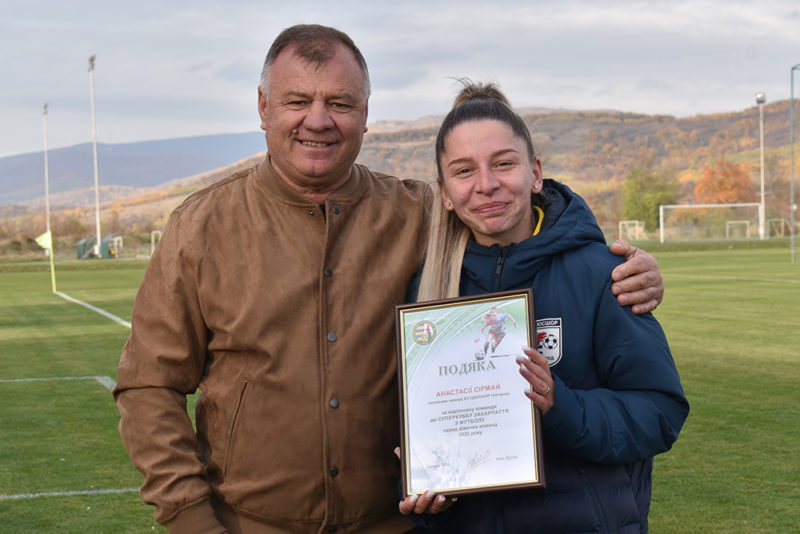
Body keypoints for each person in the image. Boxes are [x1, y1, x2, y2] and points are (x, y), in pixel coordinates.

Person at [114, 25, 667, 534]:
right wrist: (190, 517)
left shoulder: (420, 214)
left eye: (339, 103)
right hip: (249, 523)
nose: (318, 120)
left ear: (365, 114)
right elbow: (148, 386)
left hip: (393, 523)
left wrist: (620, 267)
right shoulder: (201, 226)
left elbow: (512, 213)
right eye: (297, 101)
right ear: (263, 107)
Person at [398, 82, 689, 532]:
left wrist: (561, 406)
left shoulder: (602, 274)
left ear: (535, 173)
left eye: (503, 163)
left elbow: (660, 412)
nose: (486, 184)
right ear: (445, 193)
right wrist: (427, 485)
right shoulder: (428, 291)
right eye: (464, 170)